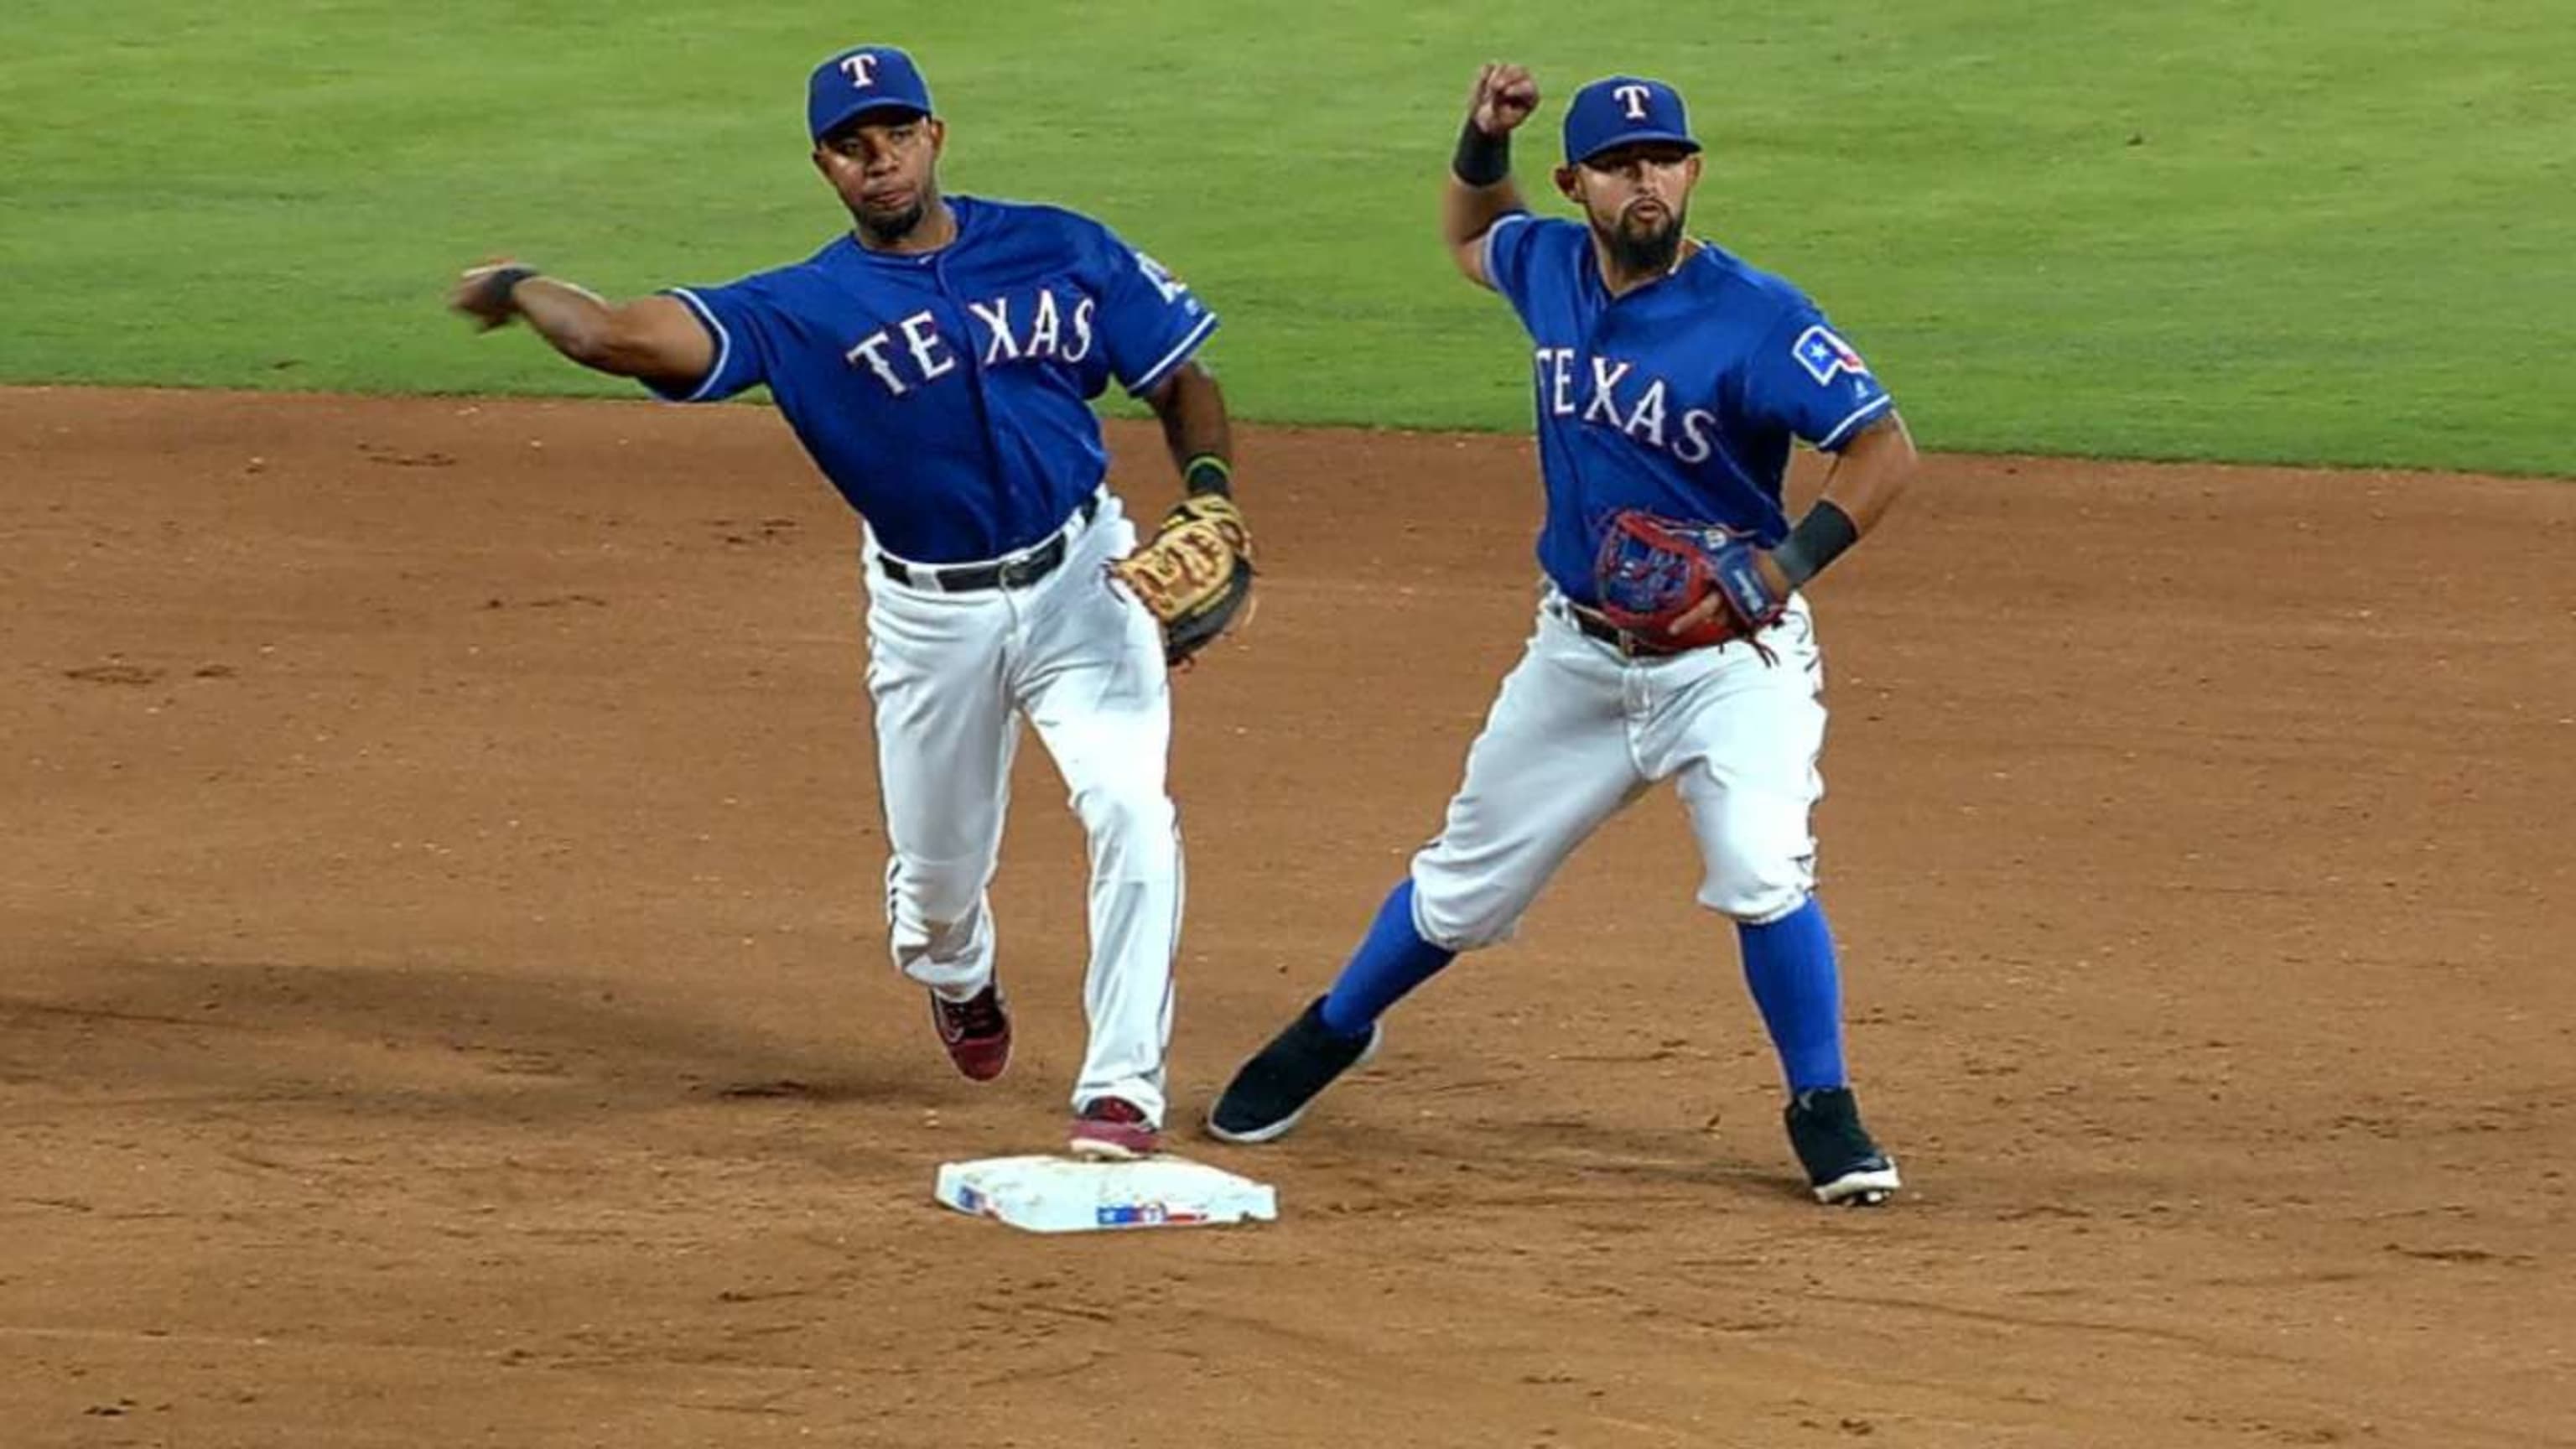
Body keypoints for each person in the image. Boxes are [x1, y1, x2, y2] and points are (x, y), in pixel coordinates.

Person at [448, 44, 1251, 1161]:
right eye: (852, 147)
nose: (880, 163)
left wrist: (1210, 494)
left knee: (1131, 810)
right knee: (936, 888)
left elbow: (1180, 378)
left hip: (1086, 580)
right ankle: (955, 973)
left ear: (936, 135)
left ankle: (1121, 1086)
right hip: (933, 620)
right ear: (823, 165)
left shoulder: (1061, 246)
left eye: (896, 136)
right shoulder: (804, 308)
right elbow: (618, 336)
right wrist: (518, 287)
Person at [1206, 64, 1920, 1205]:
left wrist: (1780, 570)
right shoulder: (1545, 266)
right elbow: (1468, 231)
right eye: (1620, 165)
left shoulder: (1759, 318)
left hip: (1730, 664)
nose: (1647, 182)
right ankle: (1337, 1026)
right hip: (1578, 655)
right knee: (1462, 893)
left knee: (1760, 867)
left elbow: (1883, 449)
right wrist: (1477, 135)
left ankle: (1823, 1103)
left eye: (1665, 160)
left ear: (1692, 172)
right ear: (1574, 180)